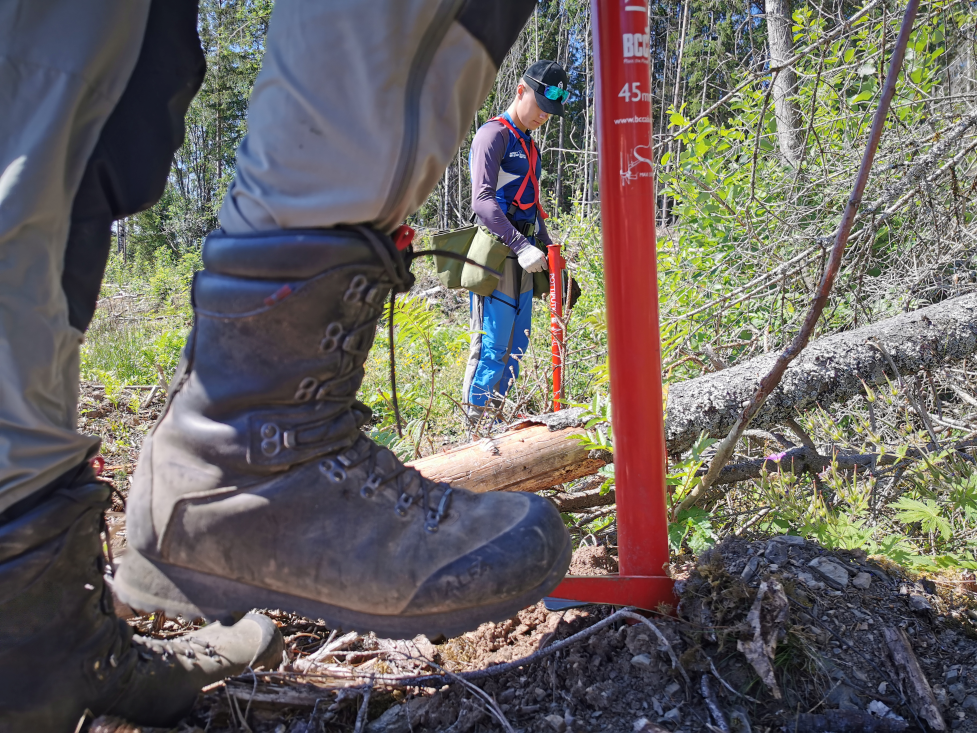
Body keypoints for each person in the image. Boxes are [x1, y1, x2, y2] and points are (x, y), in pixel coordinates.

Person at [0, 1, 572, 729]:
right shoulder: (500, 135)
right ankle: (254, 445)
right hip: (488, 260)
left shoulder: (537, 145)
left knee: (75, 75)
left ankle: (26, 633)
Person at [463, 60, 570, 419]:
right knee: (491, 347)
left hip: (525, 257)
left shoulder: (530, 147)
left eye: (550, 112)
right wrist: (521, 246)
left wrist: (552, 259)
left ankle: (499, 421)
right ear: (521, 91)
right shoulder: (493, 135)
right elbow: (482, 201)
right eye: (540, 107)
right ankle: (475, 429)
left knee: (516, 346)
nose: (544, 116)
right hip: (495, 255)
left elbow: (534, 205)